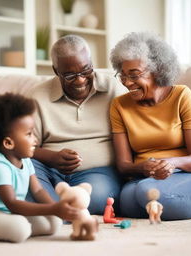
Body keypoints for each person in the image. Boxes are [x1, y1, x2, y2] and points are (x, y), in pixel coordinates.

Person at [109, 32, 191, 220]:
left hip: (188, 171)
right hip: (144, 175)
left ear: (158, 70)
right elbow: (123, 165)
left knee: (146, 192)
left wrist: (170, 163)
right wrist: (144, 167)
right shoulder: (119, 105)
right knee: (126, 203)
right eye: (123, 75)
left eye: (134, 75)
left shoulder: (181, 95)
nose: (127, 82)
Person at [26, 35, 127, 214]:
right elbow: (23, 147)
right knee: (23, 169)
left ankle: (51, 211)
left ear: (92, 63)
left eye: (86, 70)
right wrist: (52, 157)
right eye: (70, 75)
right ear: (56, 71)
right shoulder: (37, 96)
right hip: (48, 170)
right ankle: (55, 209)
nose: (80, 80)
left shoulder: (114, 88)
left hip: (98, 174)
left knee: (96, 198)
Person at [0, 93, 80, 243]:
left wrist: (57, 207)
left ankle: (10, 226)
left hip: (8, 214)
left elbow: (38, 190)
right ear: (8, 143)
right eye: (29, 134)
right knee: (20, 229)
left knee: (54, 222)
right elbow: (12, 204)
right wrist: (54, 209)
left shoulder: (26, 160)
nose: (35, 140)